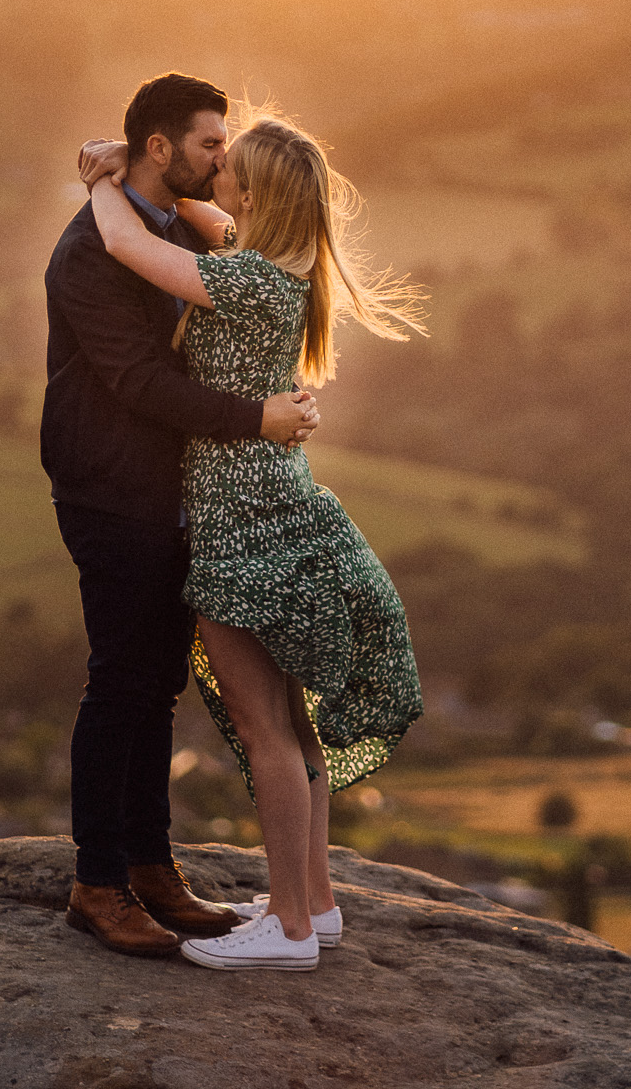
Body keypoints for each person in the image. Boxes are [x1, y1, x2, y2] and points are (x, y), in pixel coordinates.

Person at [76, 109, 425, 972]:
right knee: (294, 726)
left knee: (261, 725)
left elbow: (124, 245)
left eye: (232, 167)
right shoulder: (282, 272)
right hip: (283, 505)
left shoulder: (243, 283)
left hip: (237, 524)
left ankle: (290, 936)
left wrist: (100, 182)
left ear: (257, 195)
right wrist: (132, 163)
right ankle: (314, 904)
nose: (218, 173)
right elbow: (214, 221)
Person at [42, 73, 324, 959]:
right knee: (119, 680)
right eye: (209, 143)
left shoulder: (172, 225)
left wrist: (112, 162)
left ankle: (151, 865)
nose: (222, 157)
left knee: (156, 684)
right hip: (109, 488)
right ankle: (98, 881)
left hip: (167, 493)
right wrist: (258, 419)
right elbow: (139, 382)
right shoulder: (92, 253)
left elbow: (230, 245)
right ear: (162, 148)